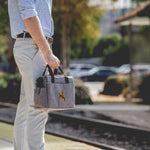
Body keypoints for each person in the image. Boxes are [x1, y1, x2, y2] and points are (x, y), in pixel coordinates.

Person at [8, 0, 60, 149]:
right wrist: (47, 53)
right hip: (33, 46)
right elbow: (29, 15)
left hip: (34, 44)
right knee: (39, 106)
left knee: (27, 104)